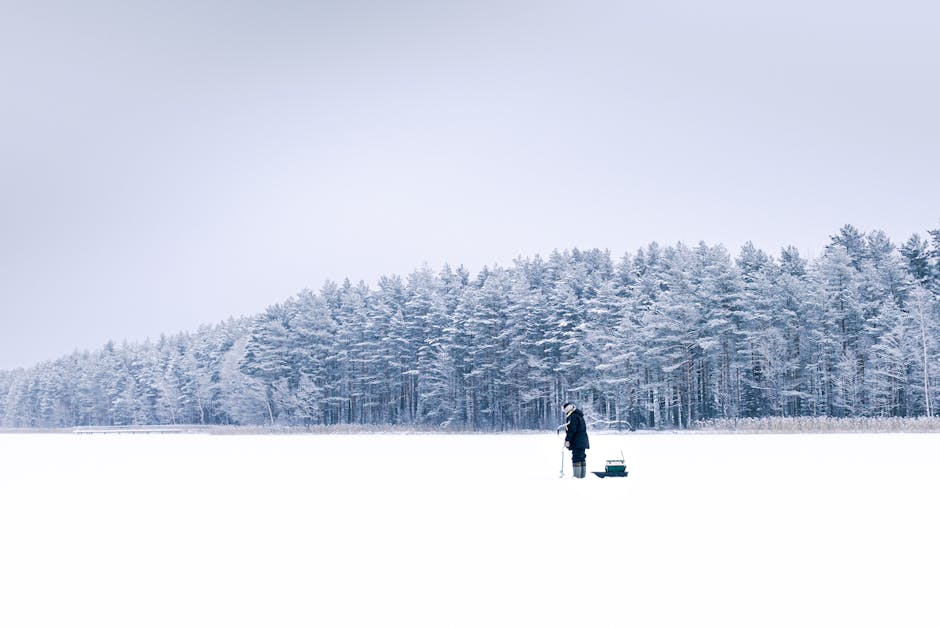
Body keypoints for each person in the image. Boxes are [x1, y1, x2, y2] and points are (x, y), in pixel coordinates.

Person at [563, 402, 590, 478]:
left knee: (576, 458)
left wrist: (567, 440)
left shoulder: (573, 416)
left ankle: (577, 477)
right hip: (582, 440)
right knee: (581, 457)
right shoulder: (578, 415)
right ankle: (582, 476)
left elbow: (572, 430)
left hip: (577, 441)